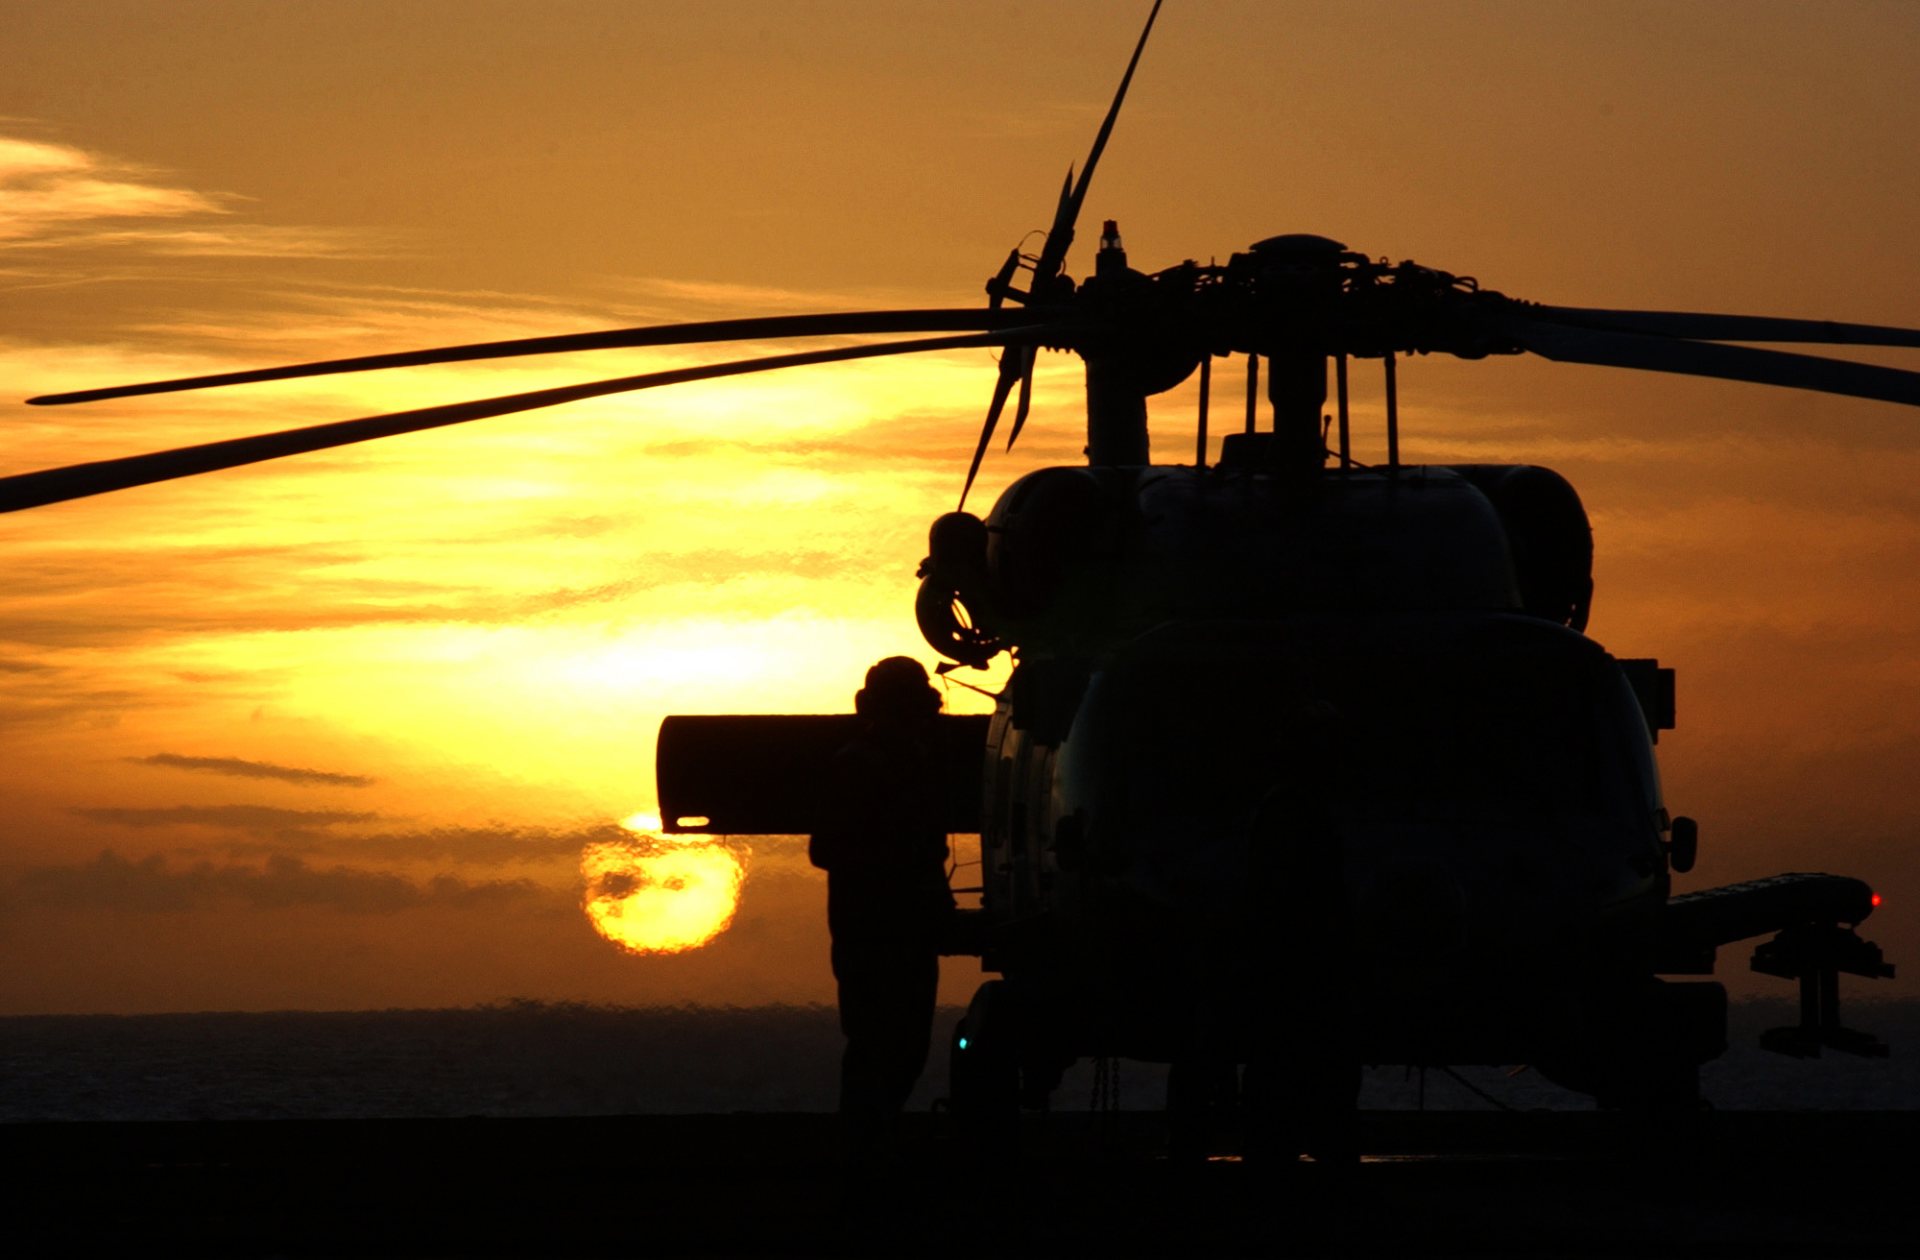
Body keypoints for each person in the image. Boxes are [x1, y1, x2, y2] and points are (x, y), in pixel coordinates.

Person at [809, 656, 956, 1161]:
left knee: (899, 1047)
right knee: (881, 1046)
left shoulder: (907, 763)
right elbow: (826, 849)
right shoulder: (859, 765)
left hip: (893, 932)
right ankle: (864, 1151)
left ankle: (869, 1147)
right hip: (878, 935)